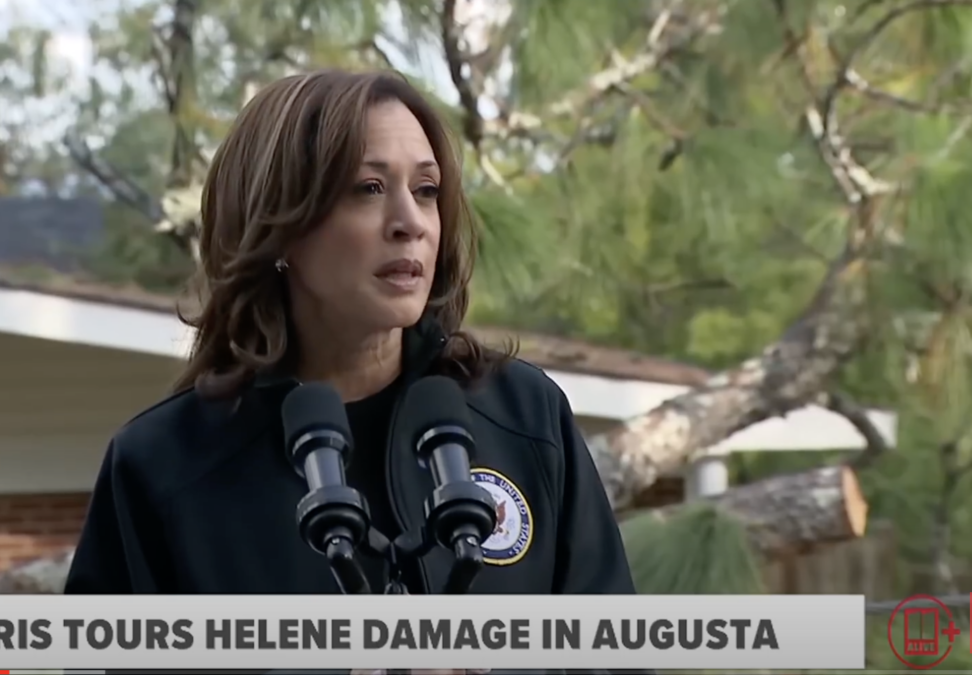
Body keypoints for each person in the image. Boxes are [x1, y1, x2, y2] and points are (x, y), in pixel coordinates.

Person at [65, 69, 642, 675]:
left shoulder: (525, 416)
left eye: (425, 190)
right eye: (368, 188)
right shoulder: (162, 467)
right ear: (279, 225)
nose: (410, 222)